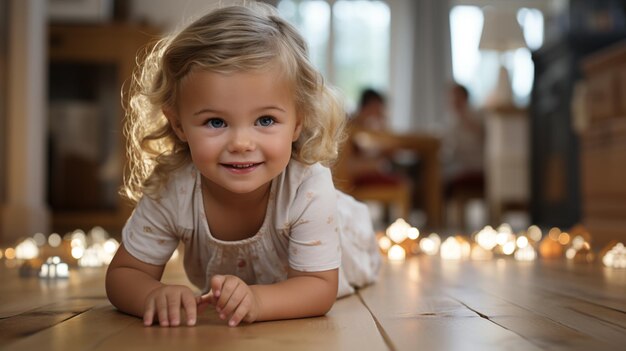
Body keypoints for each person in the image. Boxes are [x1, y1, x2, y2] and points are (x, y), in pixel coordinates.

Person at [105, 2, 380, 329]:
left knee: (360, 265)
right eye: (216, 122)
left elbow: (319, 287)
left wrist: (258, 301)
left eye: (265, 120)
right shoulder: (172, 188)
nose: (241, 143)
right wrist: (152, 294)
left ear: (297, 123)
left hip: (344, 244)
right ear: (178, 124)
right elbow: (124, 274)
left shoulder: (308, 186)